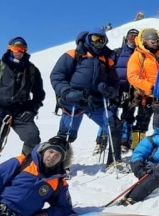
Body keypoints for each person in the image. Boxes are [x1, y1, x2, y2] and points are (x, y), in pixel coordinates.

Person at [50, 28, 126, 170]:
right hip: (73, 101)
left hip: (96, 102)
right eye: (95, 39)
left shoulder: (107, 60)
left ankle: (113, 161)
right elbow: (57, 76)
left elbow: (115, 83)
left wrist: (109, 90)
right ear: (88, 39)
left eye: (101, 40)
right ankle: (58, 165)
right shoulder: (73, 55)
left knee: (114, 125)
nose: (98, 43)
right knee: (66, 134)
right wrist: (67, 93)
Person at [0, 37, 45, 173]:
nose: (19, 52)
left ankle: (23, 172)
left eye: (23, 49)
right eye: (16, 48)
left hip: (21, 111)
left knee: (33, 138)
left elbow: (39, 95)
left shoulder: (32, 70)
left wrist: (32, 110)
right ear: (9, 49)